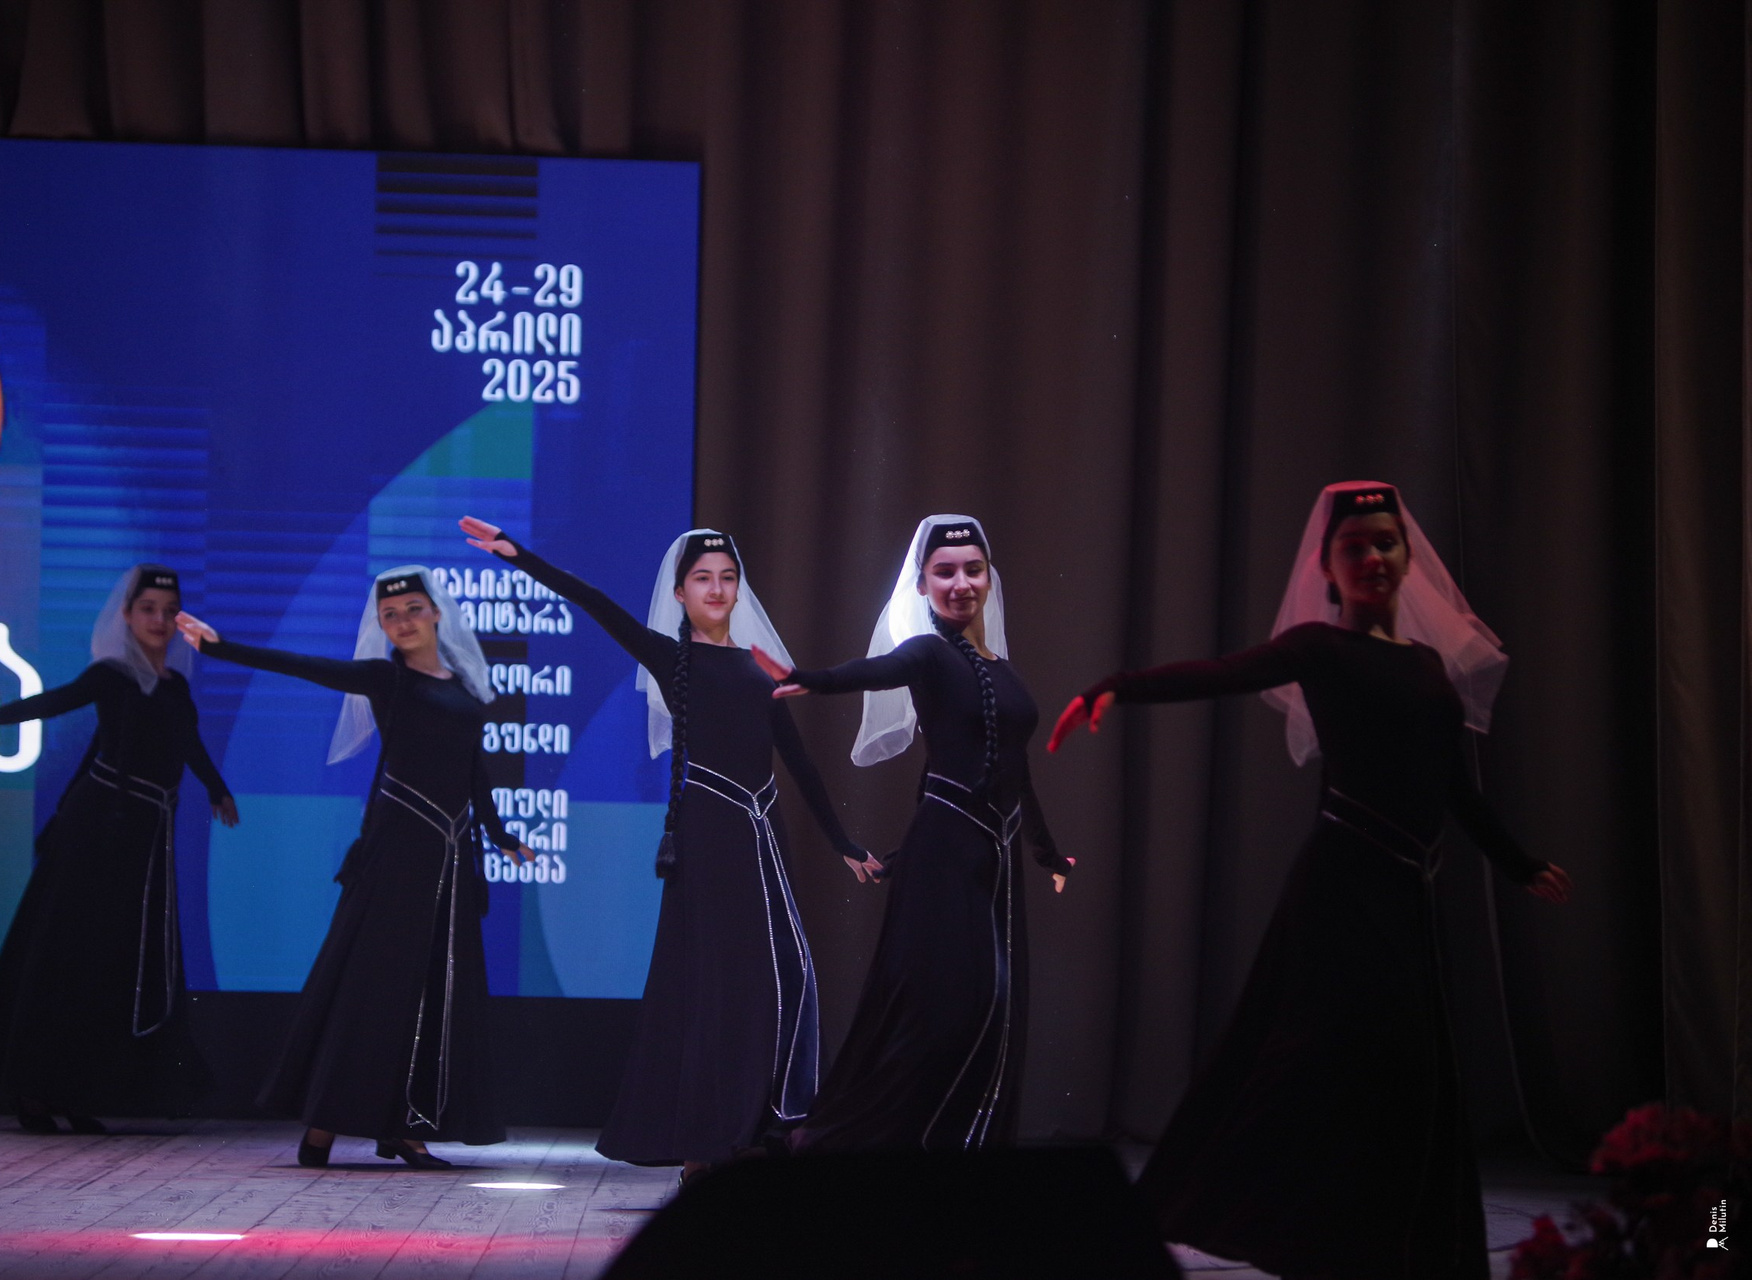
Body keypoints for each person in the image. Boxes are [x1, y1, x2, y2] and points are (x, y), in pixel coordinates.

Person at [1048, 481, 1572, 1280]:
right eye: (1353, 547)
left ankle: (1389, 1241)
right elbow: (1220, 673)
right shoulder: (1319, 650)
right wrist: (1113, 686)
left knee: (1403, 1070)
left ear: (1407, 555)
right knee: (1312, 1059)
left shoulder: (1429, 666)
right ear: (1327, 567)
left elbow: (1451, 784)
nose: (1372, 558)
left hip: (1404, 891)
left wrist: (1517, 861)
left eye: (1385, 542)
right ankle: (1277, 1227)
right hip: (1340, 887)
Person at [459, 518, 865, 1179]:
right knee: (711, 984)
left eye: (727, 578)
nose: (717, 589)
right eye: (702, 579)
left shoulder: (761, 667)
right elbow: (593, 602)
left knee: (782, 974)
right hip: (710, 831)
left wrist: (843, 841)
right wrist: (518, 555)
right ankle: (706, 1139)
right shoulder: (671, 658)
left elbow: (798, 761)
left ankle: (765, 1121)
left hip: (763, 833)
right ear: (680, 592)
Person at [175, 565, 526, 1169]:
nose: (403, 622)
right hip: (398, 850)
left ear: (436, 613)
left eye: (413, 609)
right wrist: (220, 647)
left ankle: (404, 1124)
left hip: (449, 855)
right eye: (390, 615)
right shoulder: (385, 678)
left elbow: (472, 769)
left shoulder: (466, 685)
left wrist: (498, 834)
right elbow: (303, 666)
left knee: (433, 986)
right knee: (376, 986)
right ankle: (325, 1126)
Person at [751, 514, 1070, 1152]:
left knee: (994, 1006)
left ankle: (964, 1144)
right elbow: (870, 671)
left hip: (996, 864)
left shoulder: (1004, 670)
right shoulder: (927, 653)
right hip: (944, 857)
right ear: (922, 585)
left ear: (988, 578)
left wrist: (1045, 850)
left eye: (972, 570)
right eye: (944, 572)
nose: (960, 583)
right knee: (940, 1009)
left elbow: (1018, 771)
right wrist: (808, 678)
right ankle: (870, 1141)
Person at [0, 565, 237, 1134]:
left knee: (113, 964)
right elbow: (53, 703)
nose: (159, 620)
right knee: (69, 954)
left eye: (169, 611)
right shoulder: (111, 676)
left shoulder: (174, 686)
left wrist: (217, 788)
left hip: (145, 837)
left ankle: (77, 1089)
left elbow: (187, 741)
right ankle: (34, 1090)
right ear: (127, 615)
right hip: (98, 830)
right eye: (148, 609)